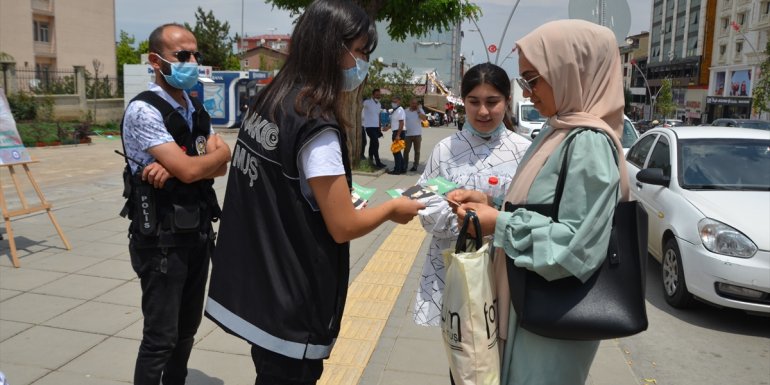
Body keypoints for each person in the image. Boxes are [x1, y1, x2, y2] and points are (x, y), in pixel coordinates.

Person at [204, 1, 425, 384]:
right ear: (330, 47)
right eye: (357, 52)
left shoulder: (271, 98)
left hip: (260, 288)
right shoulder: (315, 122)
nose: (361, 63)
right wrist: (392, 208)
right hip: (293, 301)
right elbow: (342, 226)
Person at [447, 19, 630, 384]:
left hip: (552, 318)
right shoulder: (559, 130)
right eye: (523, 81)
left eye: (533, 79)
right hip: (527, 302)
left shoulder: (588, 142)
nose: (527, 93)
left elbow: (575, 245)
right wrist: (490, 201)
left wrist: (498, 223)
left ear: (572, 72)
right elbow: (543, 202)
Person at [119, 23, 231, 385]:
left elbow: (222, 159)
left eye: (195, 54)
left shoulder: (193, 106)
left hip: (196, 232)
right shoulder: (144, 110)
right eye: (182, 56)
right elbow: (188, 167)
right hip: (161, 241)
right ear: (156, 61)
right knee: (160, 339)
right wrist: (192, 166)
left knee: (186, 333)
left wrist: (201, 162)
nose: (192, 62)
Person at [414, 63, 531, 332]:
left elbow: (534, 213)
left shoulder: (525, 152)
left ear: (507, 101)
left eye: (492, 102)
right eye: (474, 101)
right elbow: (425, 208)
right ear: (462, 102)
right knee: (463, 360)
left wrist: (495, 214)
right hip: (453, 271)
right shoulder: (445, 150)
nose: (483, 111)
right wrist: (464, 219)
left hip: (507, 270)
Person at [363, 88, 386, 168]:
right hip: (369, 126)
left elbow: (378, 115)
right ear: (372, 95)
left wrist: (379, 127)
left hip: (376, 127)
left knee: (372, 144)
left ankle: (370, 162)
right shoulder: (367, 102)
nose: (378, 96)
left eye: (379, 95)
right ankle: (378, 162)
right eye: (376, 95)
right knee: (376, 143)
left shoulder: (379, 104)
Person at [403, 97, 427, 172]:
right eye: (413, 103)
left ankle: (415, 166)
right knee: (406, 151)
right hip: (407, 135)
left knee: (417, 151)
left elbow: (424, 119)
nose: (414, 105)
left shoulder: (420, 110)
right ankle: (405, 165)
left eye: (415, 103)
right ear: (410, 103)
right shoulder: (405, 111)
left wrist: (418, 111)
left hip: (417, 135)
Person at [387, 95, 406, 174]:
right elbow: (394, 122)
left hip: (399, 132)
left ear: (399, 102)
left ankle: (397, 170)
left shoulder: (400, 110)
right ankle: (401, 168)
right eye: (393, 102)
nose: (393, 103)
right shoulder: (395, 110)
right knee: (397, 151)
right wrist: (387, 127)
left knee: (396, 151)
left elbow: (401, 123)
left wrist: (398, 135)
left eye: (395, 102)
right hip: (396, 131)